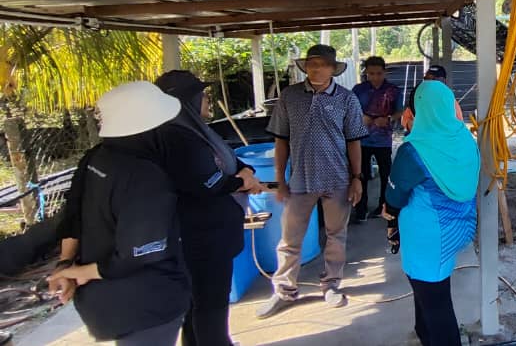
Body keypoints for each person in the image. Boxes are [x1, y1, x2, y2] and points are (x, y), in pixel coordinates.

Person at [47, 82, 190, 345]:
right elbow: (138, 254)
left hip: (103, 301)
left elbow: (72, 219)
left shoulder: (95, 158)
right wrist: (78, 273)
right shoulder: (145, 177)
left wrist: (66, 266)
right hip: (145, 302)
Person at [154, 70, 267, 346]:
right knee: (210, 304)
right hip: (202, 237)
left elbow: (226, 159)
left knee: (199, 304)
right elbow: (207, 182)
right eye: (201, 96)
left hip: (210, 232)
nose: (207, 100)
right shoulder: (176, 138)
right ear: (185, 101)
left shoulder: (195, 130)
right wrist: (239, 182)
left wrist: (246, 171)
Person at [258, 44, 367, 319]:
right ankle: (284, 291)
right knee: (289, 240)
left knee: (335, 236)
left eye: (322, 64)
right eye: (311, 63)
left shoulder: (346, 99)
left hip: (338, 179)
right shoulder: (289, 96)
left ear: (333, 69)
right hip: (300, 180)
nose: (315, 68)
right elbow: (281, 140)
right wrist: (280, 179)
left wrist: (357, 178)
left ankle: (331, 285)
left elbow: (354, 141)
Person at [383, 80, 479, 346]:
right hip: (459, 227)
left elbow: (394, 195)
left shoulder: (413, 151)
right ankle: (425, 335)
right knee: (429, 292)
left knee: (436, 306)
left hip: (429, 237)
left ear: (415, 112)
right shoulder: (465, 139)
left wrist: (389, 214)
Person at [352, 56, 403, 222]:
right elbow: (349, 111)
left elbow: (400, 111)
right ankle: (361, 209)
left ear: (384, 71)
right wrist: (361, 117)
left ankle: (384, 206)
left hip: (384, 139)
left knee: (386, 175)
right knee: (361, 175)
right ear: (366, 72)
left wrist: (388, 119)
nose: (375, 77)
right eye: (371, 73)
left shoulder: (394, 90)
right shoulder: (358, 90)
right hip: (361, 139)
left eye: (379, 73)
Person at [401, 65, 463, 133]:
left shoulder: (450, 102)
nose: (430, 82)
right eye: (426, 79)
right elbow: (406, 118)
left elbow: (458, 125)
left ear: (443, 81)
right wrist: (409, 124)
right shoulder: (418, 98)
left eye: (434, 80)